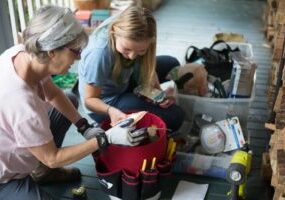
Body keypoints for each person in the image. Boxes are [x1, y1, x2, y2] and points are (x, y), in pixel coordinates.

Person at [0, 5, 146, 200]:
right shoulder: (23, 105)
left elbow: (53, 94)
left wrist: (83, 126)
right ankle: (31, 176)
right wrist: (106, 138)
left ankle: (42, 173)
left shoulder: (25, 54)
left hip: (19, 146)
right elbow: (53, 158)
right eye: (75, 51)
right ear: (52, 51)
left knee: (69, 98)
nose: (78, 57)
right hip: (6, 177)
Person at [78, 4, 185, 134]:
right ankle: (121, 108)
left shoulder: (137, 29)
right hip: (105, 102)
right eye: (127, 49)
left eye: (141, 50)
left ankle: (134, 97)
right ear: (114, 33)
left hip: (125, 79)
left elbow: (147, 66)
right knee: (176, 117)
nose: (133, 56)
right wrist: (111, 111)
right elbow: (89, 101)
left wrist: (158, 94)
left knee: (172, 62)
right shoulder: (99, 52)